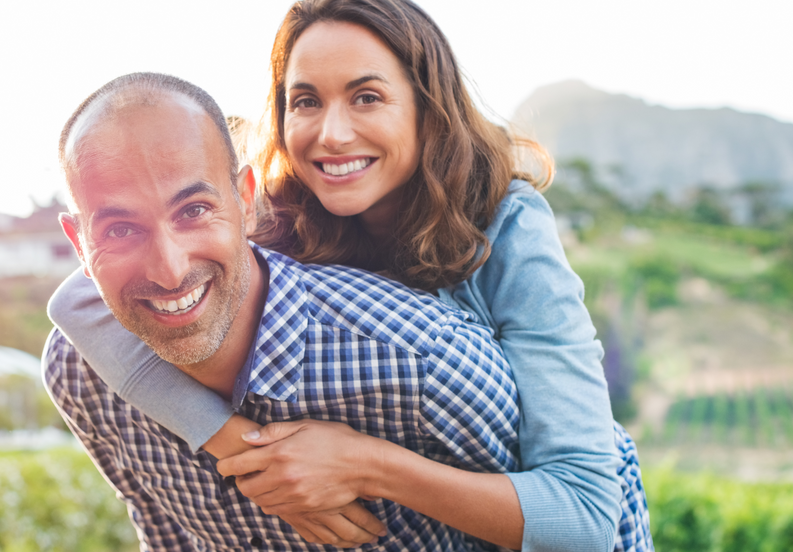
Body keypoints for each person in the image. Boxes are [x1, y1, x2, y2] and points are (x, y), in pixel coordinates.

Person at [50, 0, 651, 552]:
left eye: (366, 97)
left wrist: (365, 463)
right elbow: (78, 302)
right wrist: (232, 443)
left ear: (426, 107)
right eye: (305, 101)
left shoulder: (507, 226)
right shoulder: (274, 210)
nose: (331, 135)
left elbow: (584, 517)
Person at [46, 72, 539, 551]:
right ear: (79, 243)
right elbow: (161, 531)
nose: (169, 271)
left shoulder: (423, 362)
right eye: (119, 230)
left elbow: (583, 523)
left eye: (193, 210)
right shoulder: (78, 373)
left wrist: (374, 467)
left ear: (245, 200)